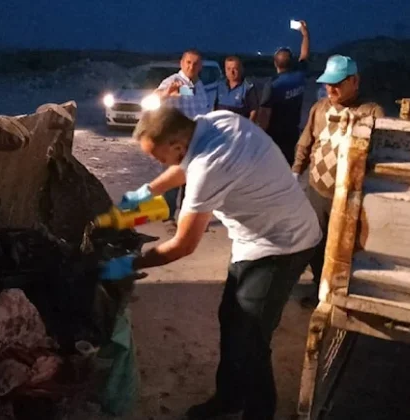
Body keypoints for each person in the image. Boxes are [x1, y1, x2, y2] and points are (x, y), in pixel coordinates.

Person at [102, 107, 323, 420]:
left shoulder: (209, 167)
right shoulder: (212, 122)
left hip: (282, 246)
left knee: (251, 338)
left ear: (177, 145)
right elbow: (183, 166)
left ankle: (258, 413)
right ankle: (229, 399)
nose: (157, 163)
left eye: (158, 157)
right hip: (256, 238)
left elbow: (183, 245)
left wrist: (126, 265)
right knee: (231, 320)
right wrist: (148, 192)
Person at [291, 55, 384, 307]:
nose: (330, 89)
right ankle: (319, 291)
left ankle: (340, 296)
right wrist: (295, 173)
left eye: (337, 83)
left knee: (343, 249)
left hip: (349, 199)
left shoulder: (371, 113)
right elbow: (305, 142)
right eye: (327, 83)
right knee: (315, 243)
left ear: (355, 81)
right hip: (317, 190)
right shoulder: (320, 108)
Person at [154, 49, 212, 222]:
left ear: (200, 66)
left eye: (195, 63)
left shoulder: (198, 86)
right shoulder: (173, 82)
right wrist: (167, 93)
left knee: (192, 183)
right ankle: (167, 218)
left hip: (196, 142)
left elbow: (201, 109)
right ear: (181, 63)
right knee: (172, 182)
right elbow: (155, 97)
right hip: (175, 144)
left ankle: (186, 219)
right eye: (188, 62)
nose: (191, 66)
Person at [258, 20, 311, 164]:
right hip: (292, 132)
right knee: (287, 166)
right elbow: (305, 55)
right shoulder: (299, 76)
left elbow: (264, 114)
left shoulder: (273, 85)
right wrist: (305, 35)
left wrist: (258, 137)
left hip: (274, 135)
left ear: (275, 63)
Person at [213, 56, 260, 121]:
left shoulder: (248, 87)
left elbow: (254, 111)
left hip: (239, 127)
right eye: (228, 69)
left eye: (235, 68)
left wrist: (248, 126)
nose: (231, 72)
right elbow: (213, 107)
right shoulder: (219, 85)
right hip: (220, 126)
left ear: (241, 69)